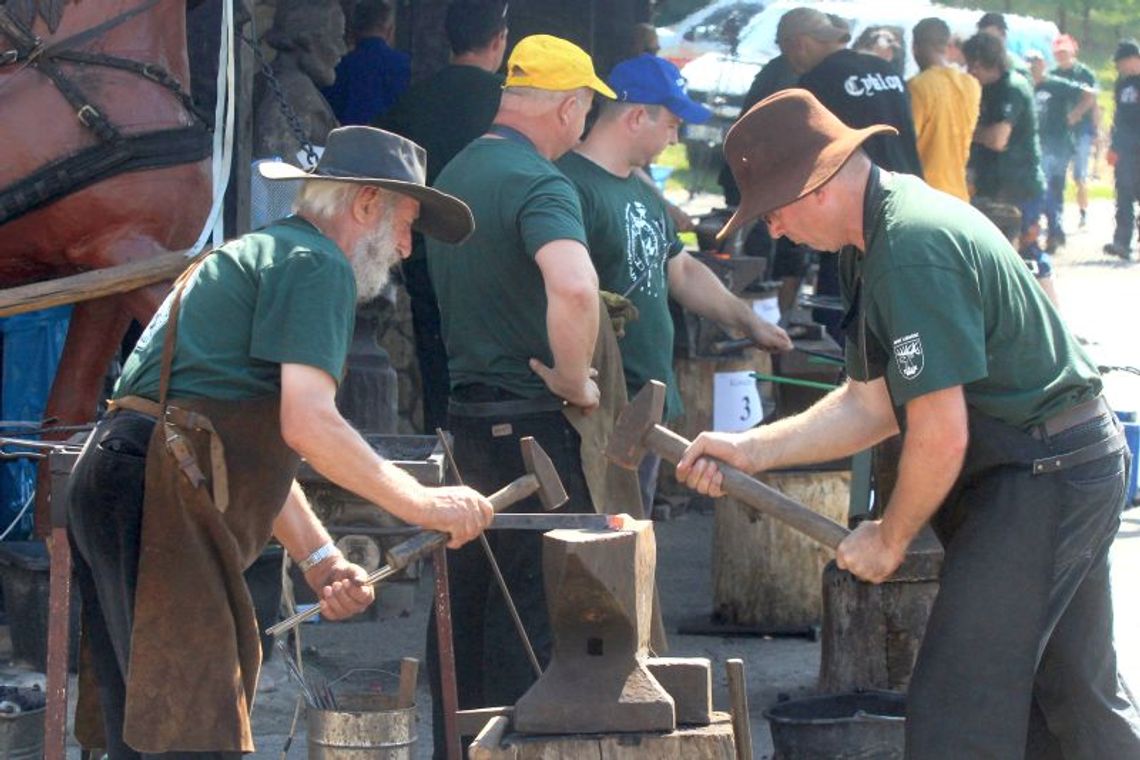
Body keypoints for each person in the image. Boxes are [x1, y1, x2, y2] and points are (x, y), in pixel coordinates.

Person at [676, 87, 1140, 759]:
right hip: (1049, 464)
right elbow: (869, 405)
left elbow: (941, 431)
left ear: (815, 186)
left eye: (771, 213)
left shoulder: (913, 245)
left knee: (960, 709)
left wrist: (890, 536)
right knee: (1071, 700)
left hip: (1044, 472)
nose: (773, 231)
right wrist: (750, 450)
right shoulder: (870, 241)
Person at [66, 126, 494, 758]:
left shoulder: (270, 252)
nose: (405, 247)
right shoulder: (317, 264)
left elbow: (256, 445)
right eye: (405, 223)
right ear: (366, 203)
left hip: (129, 476)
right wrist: (423, 505)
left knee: (159, 733)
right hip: (155, 486)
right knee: (191, 735)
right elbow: (309, 426)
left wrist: (320, 559)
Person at [424, 34, 614, 756]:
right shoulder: (540, 182)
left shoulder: (460, 169)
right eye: (586, 111)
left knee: (465, 612)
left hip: (465, 423)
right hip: (533, 428)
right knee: (537, 619)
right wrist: (573, 377)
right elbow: (573, 285)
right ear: (569, 107)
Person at [558, 53, 791, 515]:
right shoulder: (570, 186)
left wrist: (748, 321)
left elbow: (680, 270)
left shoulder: (642, 191)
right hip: (600, 403)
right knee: (600, 538)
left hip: (646, 400)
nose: (675, 136)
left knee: (633, 534)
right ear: (637, 115)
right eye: (671, 123)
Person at [378, 0, 508, 433]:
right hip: (493, 261)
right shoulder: (508, 108)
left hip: (423, 258)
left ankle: (444, 446)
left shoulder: (412, 102)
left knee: (435, 364)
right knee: (493, 371)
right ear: (499, 41)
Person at [776, 6, 923, 343]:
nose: (790, 63)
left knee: (844, 315)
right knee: (899, 313)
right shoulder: (885, 68)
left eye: (787, 53)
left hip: (854, 212)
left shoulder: (815, 83)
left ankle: (858, 383)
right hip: (908, 197)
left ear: (798, 43)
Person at [963, 33, 1056, 304]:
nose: (969, 72)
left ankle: (1054, 318)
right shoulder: (987, 88)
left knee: (1026, 249)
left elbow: (997, 139)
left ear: (979, 63)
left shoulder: (1012, 87)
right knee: (997, 254)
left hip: (1019, 185)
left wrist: (964, 132)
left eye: (971, 65)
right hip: (995, 184)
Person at [1025, 48, 1095, 252]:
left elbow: (1088, 94)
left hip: (1058, 144)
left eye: (1036, 63)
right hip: (1034, 144)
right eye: (1029, 64)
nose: (1033, 68)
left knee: (1051, 189)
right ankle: (1046, 232)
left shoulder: (1055, 84)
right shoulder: (1025, 86)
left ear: (1043, 65)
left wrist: (1075, 114)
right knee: (1039, 190)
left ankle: (1054, 233)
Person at [908, 17, 981, 201]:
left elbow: (907, 142)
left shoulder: (917, 87)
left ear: (915, 47)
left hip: (925, 194)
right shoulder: (971, 85)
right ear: (946, 45)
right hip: (959, 194)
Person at [321, 0, 411, 125]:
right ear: (389, 29)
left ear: (352, 30)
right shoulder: (405, 65)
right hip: (391, 140)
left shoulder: (336, 67)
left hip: (346, 139)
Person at [1051, 34, 1100, 230]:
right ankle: (1058, 213)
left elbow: (1093, 101)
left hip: (1081, 131)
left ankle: (1083, 211)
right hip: (1060, 133)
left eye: (1065, 51)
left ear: (1073, 51)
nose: (1062, 55)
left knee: (1080, 174)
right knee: (1058, 174)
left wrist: (1095, 129)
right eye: (1058, 52)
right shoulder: (1053, 73)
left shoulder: (1084, 73)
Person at [1104, 40, 1140, 261]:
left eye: (1121, 62)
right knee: (1124, 192)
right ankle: (1122, 242)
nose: (1119, 67)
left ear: (1133, 58)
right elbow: (1118, 116)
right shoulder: (1121, 84)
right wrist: (1113, 145)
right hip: (1126, 147)